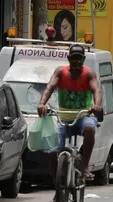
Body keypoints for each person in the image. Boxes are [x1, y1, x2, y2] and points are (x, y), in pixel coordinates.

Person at [37, 44, 103, 185]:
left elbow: (97, 90)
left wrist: (97, 105)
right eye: (73, 59)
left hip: (83, 116)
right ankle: (57, 186)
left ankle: (84, 165)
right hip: (64, 118)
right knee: (52, 150)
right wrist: (42, 103)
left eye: (79, 59)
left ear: (84, 60)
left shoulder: (89, 73)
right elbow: (49, 88)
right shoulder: (61, 72)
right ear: (68, 59)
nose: (76, 63)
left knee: (90, 129)